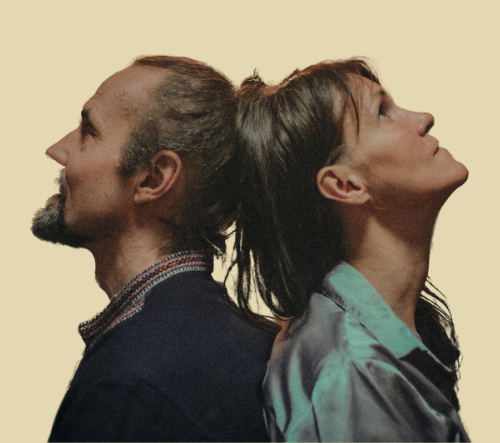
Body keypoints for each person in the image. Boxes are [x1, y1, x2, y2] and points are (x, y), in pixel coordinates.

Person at [32, 55, 276, 442]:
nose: (57, 149)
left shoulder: (129, 386)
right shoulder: (229, 341)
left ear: (153, 178)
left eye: (89, 131)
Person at [234, 59, 470, 441]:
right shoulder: (353, 372)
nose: (424, 118)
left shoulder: (369, 348)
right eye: (383, 112)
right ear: (346, 185)